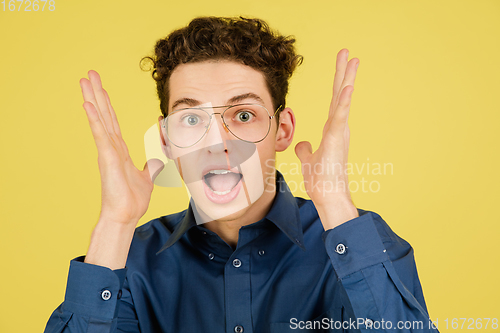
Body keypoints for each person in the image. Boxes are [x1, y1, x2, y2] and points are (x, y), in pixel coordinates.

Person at [44, 16, 438, 333]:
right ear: (165, 140)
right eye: (192, 117)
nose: (217, 143)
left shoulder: (355, 244)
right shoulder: (126, 265)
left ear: (282, 130)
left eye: (243, 115)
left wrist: (335, 200)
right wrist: (114, 224)